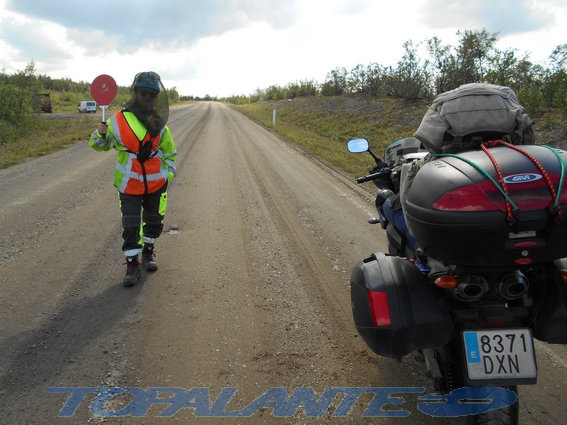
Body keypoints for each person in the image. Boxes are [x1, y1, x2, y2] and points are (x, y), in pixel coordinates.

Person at [89, 71, 177, 286]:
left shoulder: (159, 123)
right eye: (144, 93)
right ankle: (132, 264)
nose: (147, 97)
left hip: (156, 185)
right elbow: (100, 145)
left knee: (154, 221)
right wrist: (100, 134)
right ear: (136, 93)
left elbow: (170, 154)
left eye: (152, 95)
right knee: (130, 225)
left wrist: (168, 175)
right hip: (129, 184)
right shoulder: (117, 120)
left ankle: (148, 252)